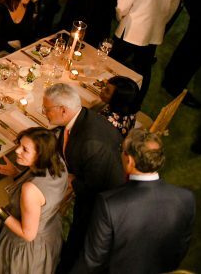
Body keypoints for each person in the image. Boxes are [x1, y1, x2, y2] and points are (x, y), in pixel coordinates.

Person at [73, 129, 195, 273]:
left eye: (121, 150)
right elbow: (181, 247)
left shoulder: (109, 204)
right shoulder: (186, 198)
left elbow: (92, 261)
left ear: (129, 160)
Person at [41, 83, 125, 273]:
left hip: (101, 204)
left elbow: (94, 186)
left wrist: (70, 180)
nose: (44, 113)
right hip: (94, 184)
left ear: (63, 110)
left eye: (46, 109)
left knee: (80, 241)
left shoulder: (91, 142)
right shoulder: (82, 116)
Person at [0, 127, 68, 274]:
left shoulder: (30, 190)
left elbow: (28, 234)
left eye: (25, 149)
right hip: (50, 232)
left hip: (24, 247)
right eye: (20, 145)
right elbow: (44, 196)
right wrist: (16, 174)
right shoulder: (58, 163)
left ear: (40, 155)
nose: (17, 151)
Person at [111, 0, 185, 106]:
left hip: (131, 30)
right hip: (155, 31)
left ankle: (106, 95)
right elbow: (173, 7)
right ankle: (136, 103)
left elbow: (122, 5)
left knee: (112, 63)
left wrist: (120, 17)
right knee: (143, 70)